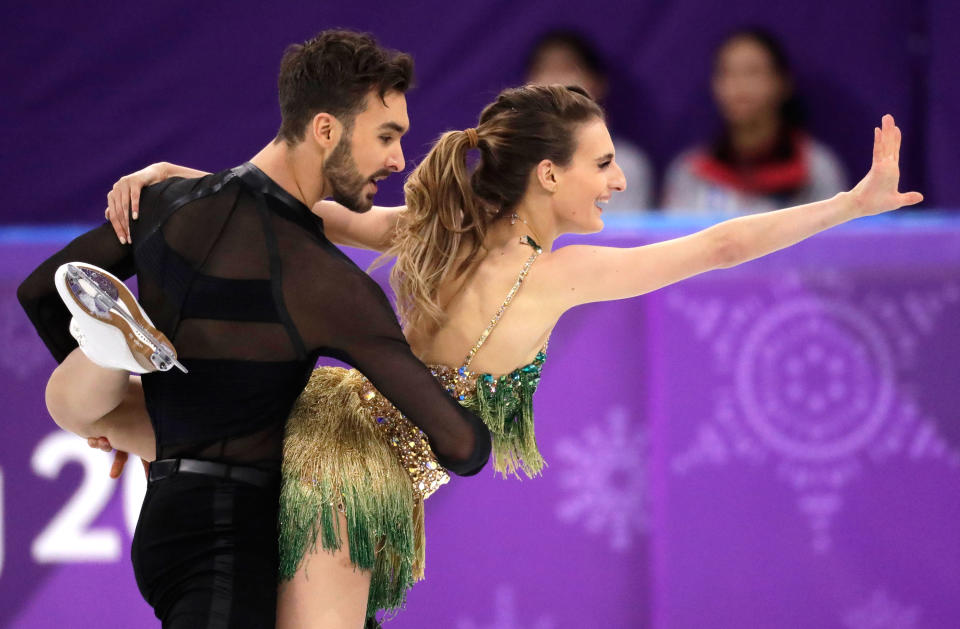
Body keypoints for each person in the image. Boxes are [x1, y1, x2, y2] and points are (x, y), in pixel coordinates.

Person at [91, 87, 917, 627]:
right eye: (603, 164)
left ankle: (129, 396)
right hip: (352, 472)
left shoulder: (432, 232)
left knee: (139, 428)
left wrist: (185, 179)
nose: (620, 182)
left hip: (328, 422)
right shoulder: (553, 278)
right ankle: (128, 394)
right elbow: (725, 243)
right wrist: (851, 203)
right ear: (549, 174)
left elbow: (296, 208)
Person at [17, 30, 491, 629]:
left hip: (171, 520)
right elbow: (463, 447)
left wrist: (118, 426)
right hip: (240, 537)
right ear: (326, 130)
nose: (398, 159)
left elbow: (40, 290)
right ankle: (107, 372)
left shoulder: (167, 202)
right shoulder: (329, 285)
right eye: (387, 136)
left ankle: (105, 368)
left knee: (87, 401)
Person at [662, 28, 847, 214]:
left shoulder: (816, 169)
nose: (739, 86)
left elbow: (831, 239)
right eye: (727, 73)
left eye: (753, 72)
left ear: (782, 83)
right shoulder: (690, 172)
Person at [526, 29, 654, 212]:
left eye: (567, 68)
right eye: (544, 69)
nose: (554, 81)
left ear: (596, 83)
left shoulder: (626, 165)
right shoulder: (505, 161)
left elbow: (626, 237)